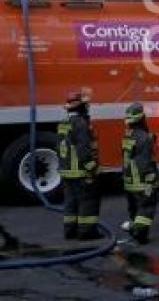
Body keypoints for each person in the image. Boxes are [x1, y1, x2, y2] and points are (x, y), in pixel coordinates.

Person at [57, 90, 101, 240]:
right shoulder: (81, 123)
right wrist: (92, 169)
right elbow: (83, 149)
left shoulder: (63, 123)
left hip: (66, 171)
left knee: (70, 202)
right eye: (85, 105)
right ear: (80, 106)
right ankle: (87, 233)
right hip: (80, 172)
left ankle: (70, 231)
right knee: (87, 201)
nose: (87, 108)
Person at [121, 103, 158, 244]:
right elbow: (144, 163)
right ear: (142, 118)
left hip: (129, 180)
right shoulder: (144, 137)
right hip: (141, 181)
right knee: (147, 207)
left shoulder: (127, 135)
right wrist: (151, 181)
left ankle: (134, 229)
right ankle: (138, 232)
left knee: (135, 208)